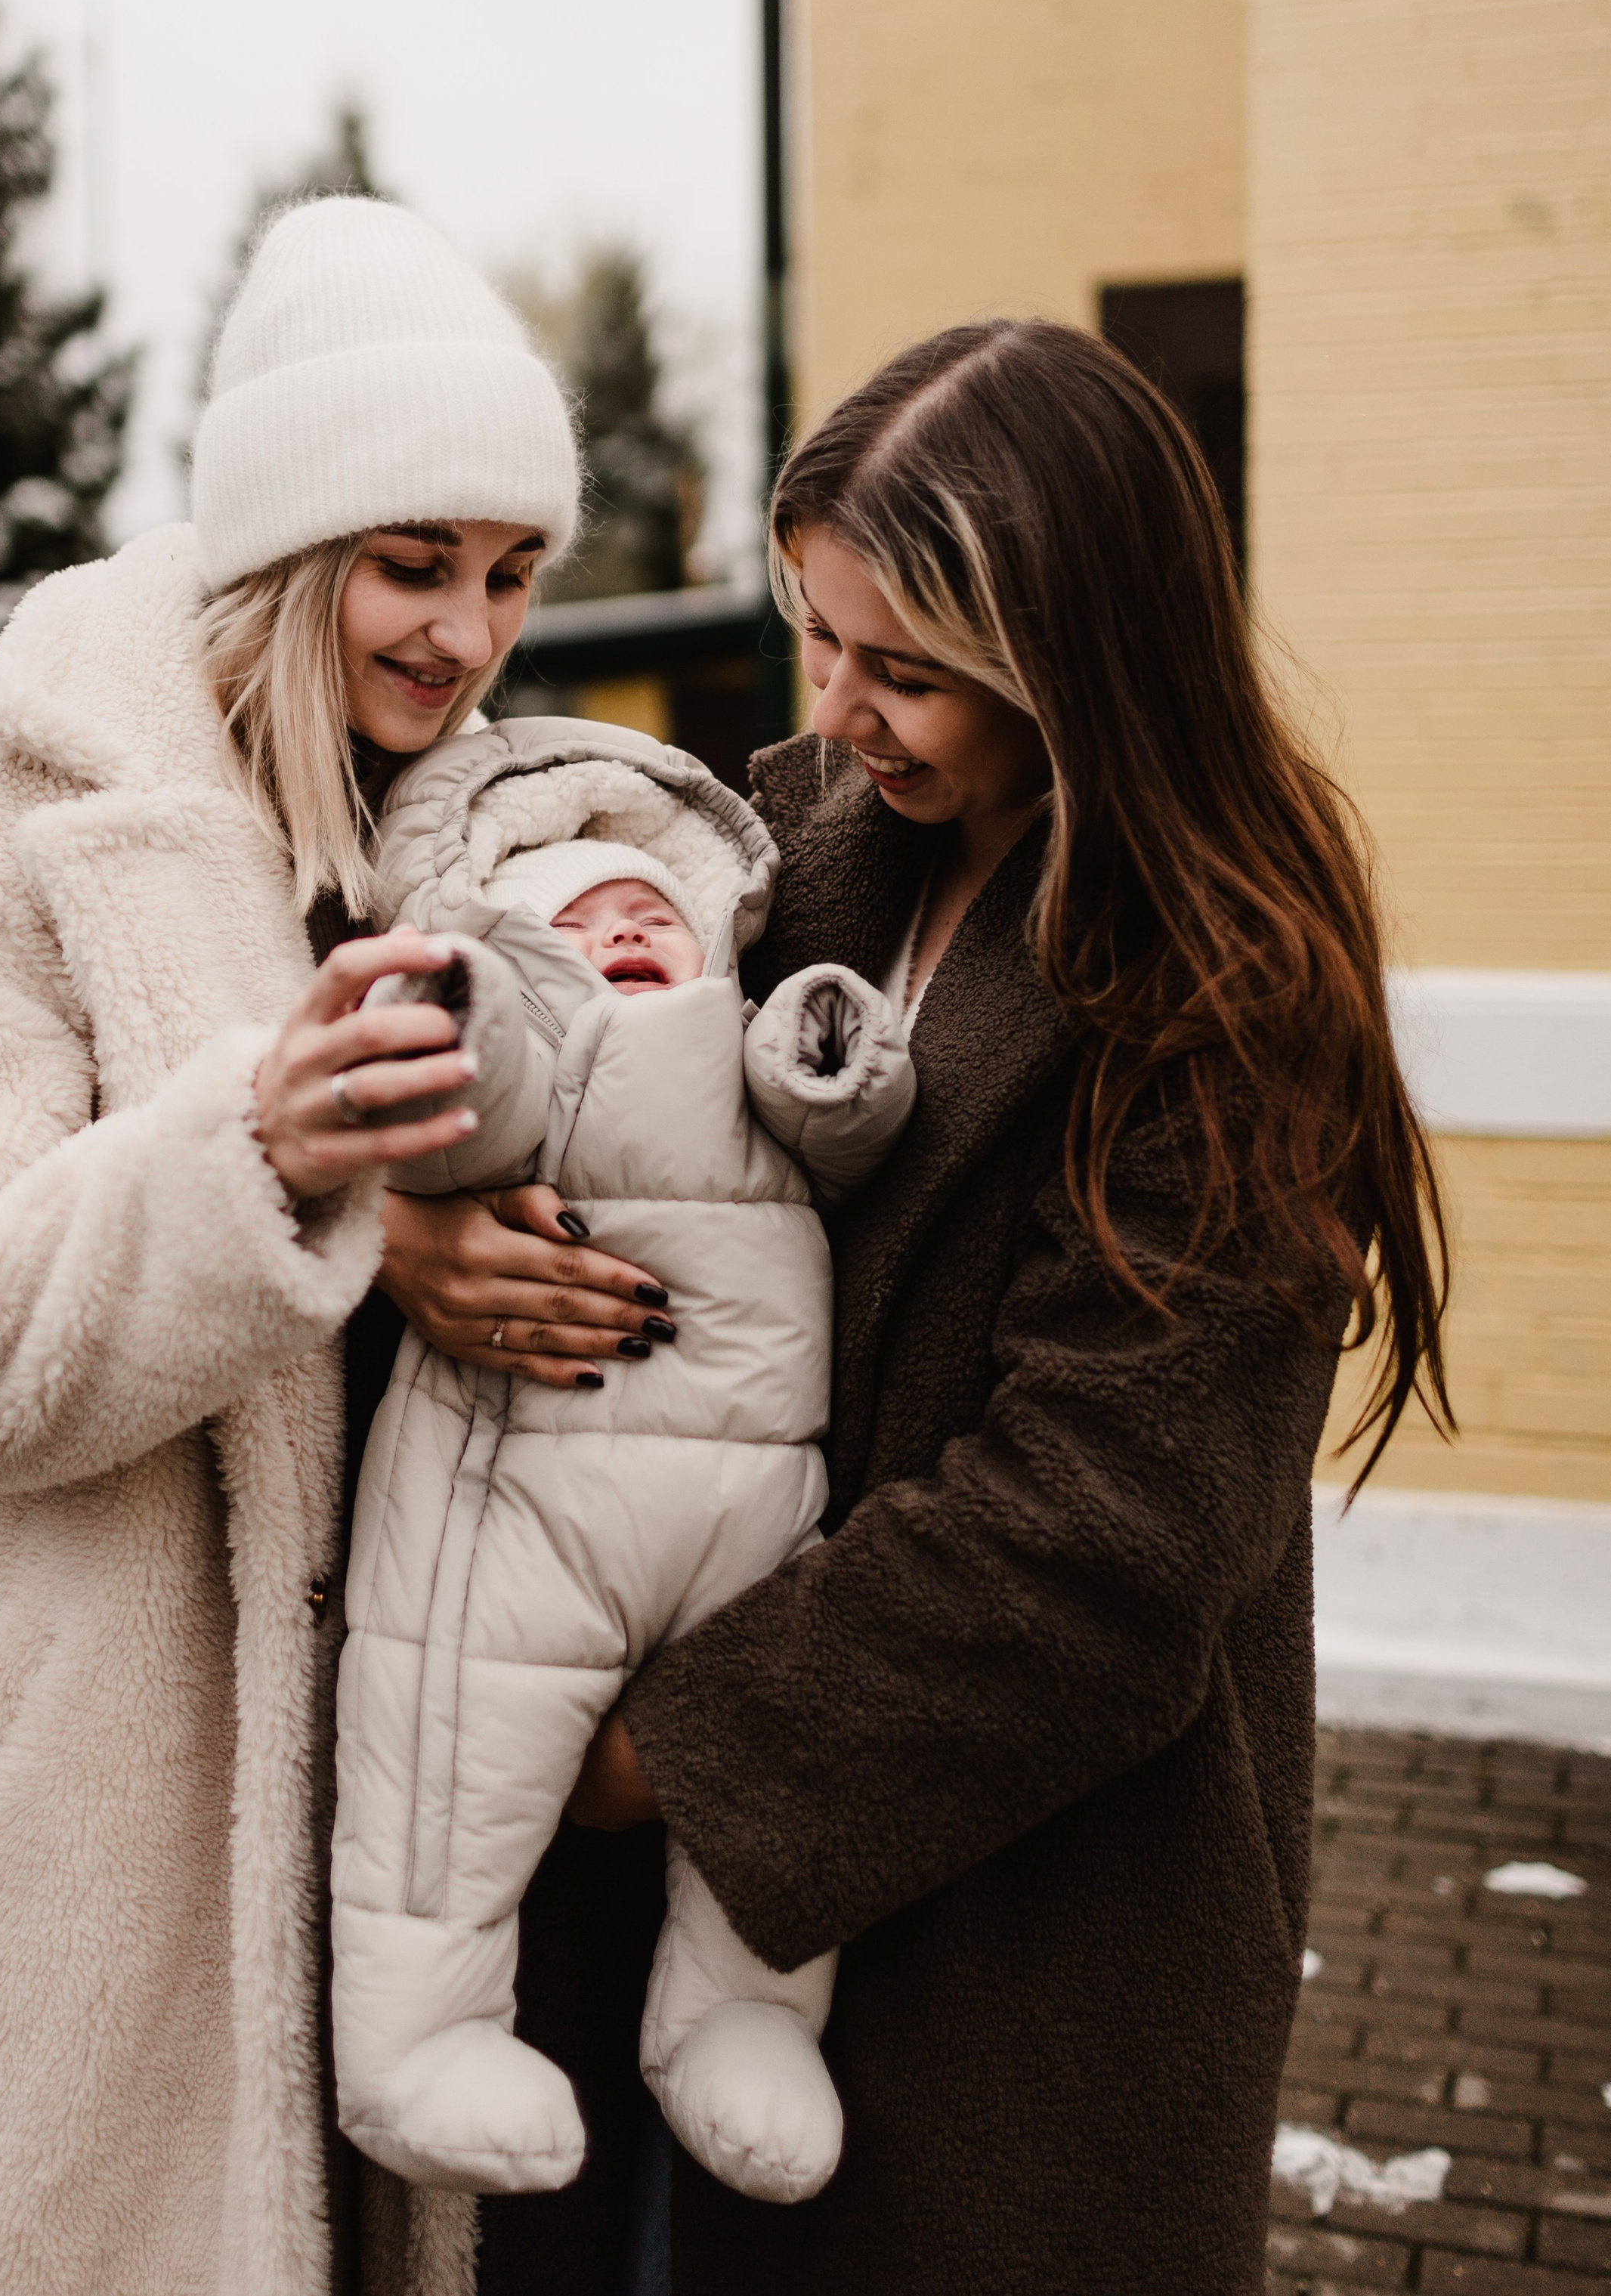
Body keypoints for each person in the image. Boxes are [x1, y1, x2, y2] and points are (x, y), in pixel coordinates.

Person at [380, 317, 1451, 2296]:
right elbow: (565, 1070)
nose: (842, 708)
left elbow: (1102, 1546)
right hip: (647, 1942)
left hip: (1012, 1962)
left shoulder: (1233, 1000)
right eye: (820, 637)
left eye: (908, 669)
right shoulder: (788, 843)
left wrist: (650, 1755)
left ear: (1077, 656)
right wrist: (416, 1234)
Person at [0, 196, 586, 2296]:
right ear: (288, 547)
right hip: (50, 1828)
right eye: (413, 562)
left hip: (355, 1817)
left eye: (508, 573)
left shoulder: (470, 829)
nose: (465, 632)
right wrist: (269, 1158)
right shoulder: (2, 812)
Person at [329, 718, 913, 2205]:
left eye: (652, 910)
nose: (629, 931)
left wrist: (834, 1058)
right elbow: (458, 1137)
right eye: (586, 921)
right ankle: (417, 2035)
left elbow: (850, 1139)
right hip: (527, 1496)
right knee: (451, 1750)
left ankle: (741, 2020)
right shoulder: (541, 1047)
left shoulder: (744, 1032)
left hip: (753, 1513)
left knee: (775, 1772)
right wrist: (458, 1020)